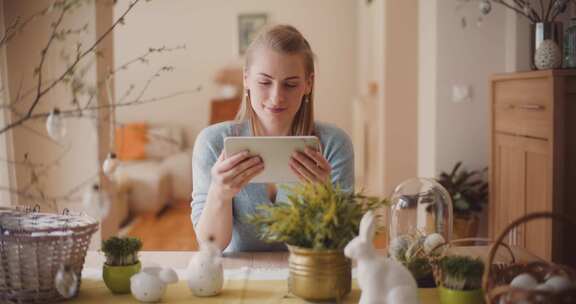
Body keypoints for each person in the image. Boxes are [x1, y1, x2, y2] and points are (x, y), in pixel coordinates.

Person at [191, 24, 354, 252]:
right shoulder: (213, 142)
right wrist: (220, 193)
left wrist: (324, 199)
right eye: (265, 82)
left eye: (290, 84)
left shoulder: (333, 144)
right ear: (246, 80)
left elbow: (339, 246)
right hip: (235, 282)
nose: (277, 97)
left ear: (308, 84)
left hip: (309, 279)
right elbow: (212, 245)